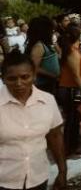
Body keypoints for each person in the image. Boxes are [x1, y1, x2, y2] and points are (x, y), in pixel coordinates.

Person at [0, 50, 67, 190]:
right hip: (4, 182)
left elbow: (55, 136)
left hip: (38, 179)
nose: (19, 83)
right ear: (3, 79)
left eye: (25, 77)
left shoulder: (47, 100)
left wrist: (62, 170)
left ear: (34, 76)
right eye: (12, 79)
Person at [57, 25, 81, 157]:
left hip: (72, 88)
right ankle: (68, 149)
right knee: (71, 120)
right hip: (70, 88)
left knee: (75, 119)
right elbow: (76, 76)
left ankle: (73, 147)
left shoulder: (74, 50)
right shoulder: (72, 52)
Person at [25, 16, 60, 95]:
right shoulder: (39, 46)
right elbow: (34, 67)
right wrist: (52, 75)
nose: (52, 31)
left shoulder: (45, 44)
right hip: (42, 85)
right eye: (51, 29)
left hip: (49, 83)